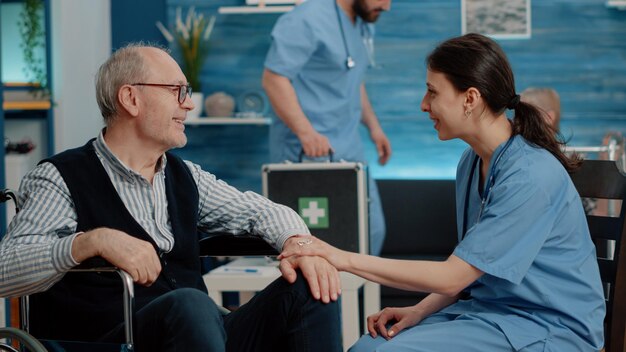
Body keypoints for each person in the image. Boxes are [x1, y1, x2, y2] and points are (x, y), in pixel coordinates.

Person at [0, 43, 343, 352]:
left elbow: (262, 212)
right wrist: (90, 242)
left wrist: (301, 246)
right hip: (109, 342)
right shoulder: (59, 177)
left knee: (314, 282)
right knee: (191, 305)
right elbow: (5, 269)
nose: (189, 104)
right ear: (131, 98)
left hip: (199, 334)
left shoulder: (185, 176)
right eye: (177, 91)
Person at [280, 33, 606, 351]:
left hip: (549, 328)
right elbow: (471, 270)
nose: (424, 105)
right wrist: (419, 311)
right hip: (492, 315)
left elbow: (453, 277)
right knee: (369, 346)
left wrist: (339, 257)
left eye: (432, 92)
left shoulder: (530, 176)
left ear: (470, 99)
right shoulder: (471, 162)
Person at [262, 0, 392, 255]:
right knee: (316, 244)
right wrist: (305, 132)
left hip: (349, 147)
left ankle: (354, 295)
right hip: (306, 153)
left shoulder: (362, 22)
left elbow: (353, 77)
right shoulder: (304, 20)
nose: (386, 6)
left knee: (371, 231)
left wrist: (374, 128)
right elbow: (274, 79)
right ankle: (331, 296)